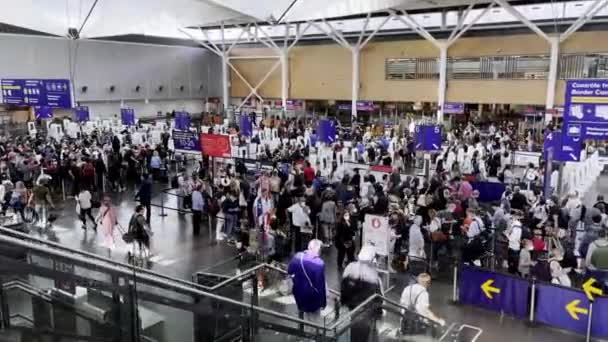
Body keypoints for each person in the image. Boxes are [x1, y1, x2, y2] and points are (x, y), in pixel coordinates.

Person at [340, 246, 383, 342]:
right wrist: (379, 313)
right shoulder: (373, 276)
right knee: (364, 335)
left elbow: (343, 287)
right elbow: (378, 298)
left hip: (352, 309)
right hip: (366, 312)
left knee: (354, 333)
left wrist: (344, 301)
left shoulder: (350, 268)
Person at [287, 239, 327, 320]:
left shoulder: (297, 256)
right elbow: (320, 285)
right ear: (319, 250)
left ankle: (302, 329)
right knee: (313, 321)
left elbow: (289, 271)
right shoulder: (319, 263)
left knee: (303, 314)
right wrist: (323, 302)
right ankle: (311, 332)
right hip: (312, 297)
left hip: (298, 293)